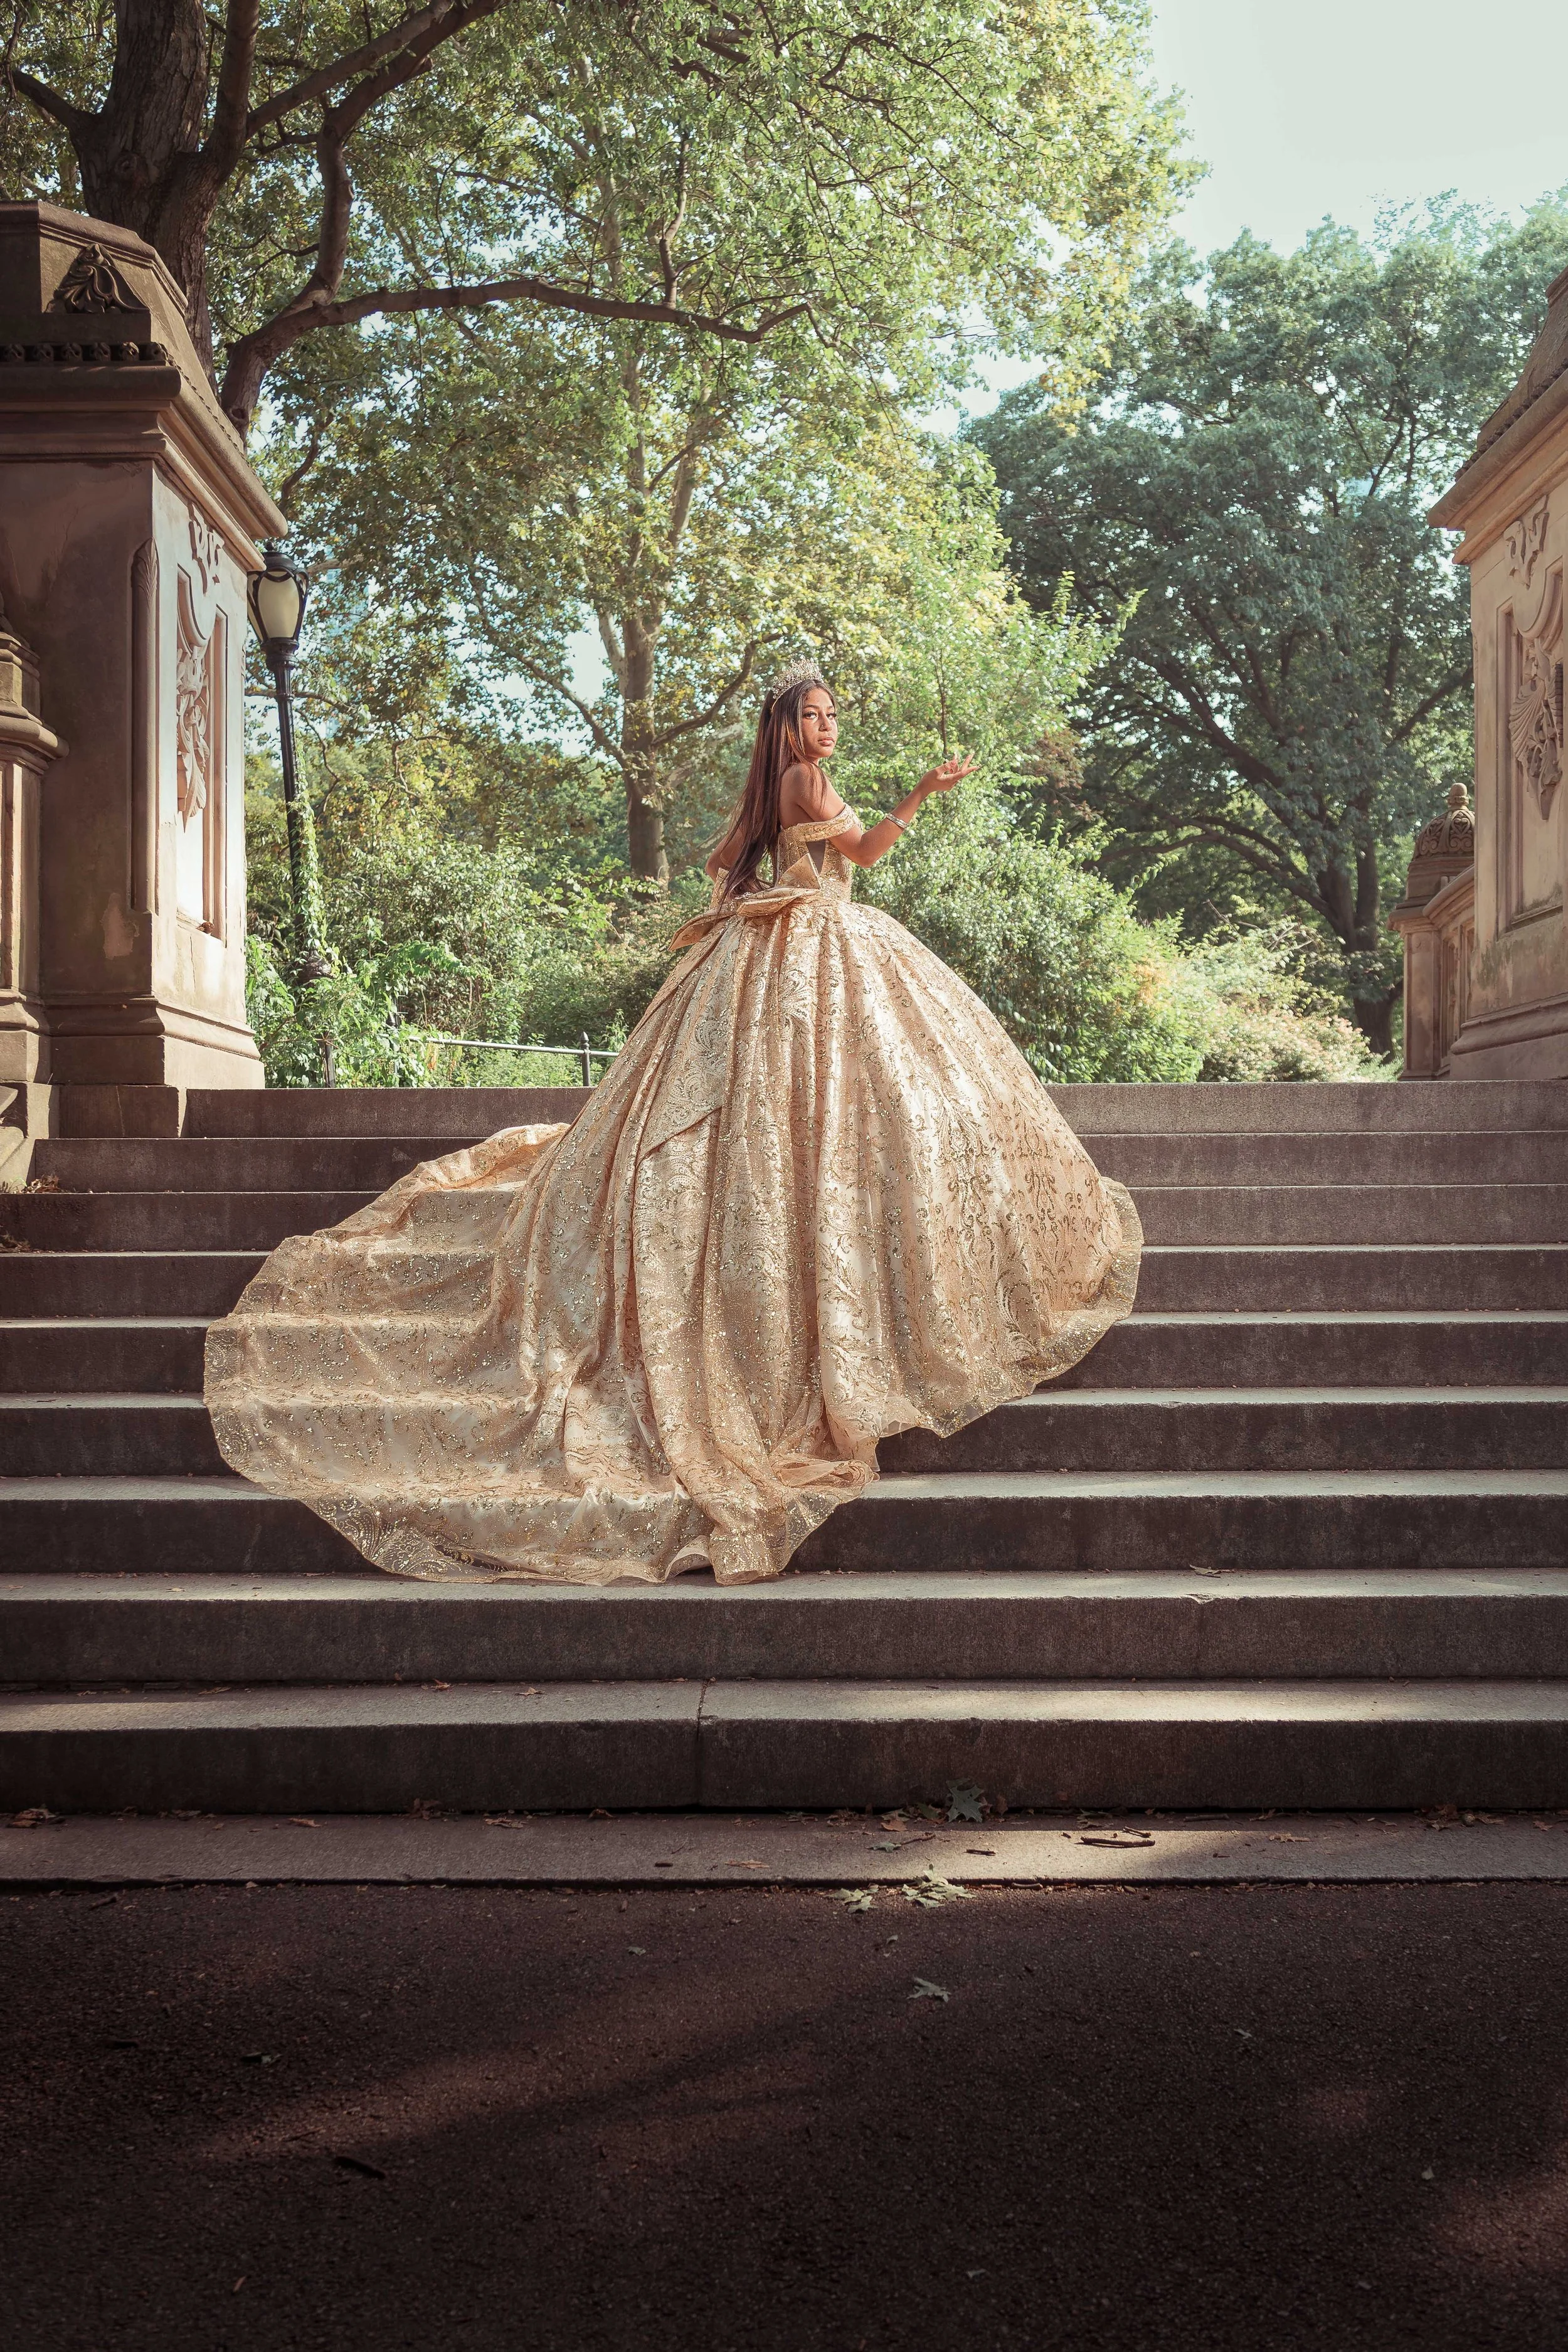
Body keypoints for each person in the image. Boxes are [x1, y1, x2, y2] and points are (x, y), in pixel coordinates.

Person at [206, 659, 1141, 1586]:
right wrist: (923, 793)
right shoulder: (804, 778)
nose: (829, 727)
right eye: (815, 715)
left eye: (832, 715)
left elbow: (764, 868)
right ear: (787, 727)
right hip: (803, 950)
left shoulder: (783, 785)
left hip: (790, 949)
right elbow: (865, 857)